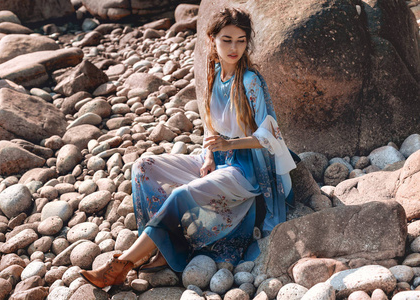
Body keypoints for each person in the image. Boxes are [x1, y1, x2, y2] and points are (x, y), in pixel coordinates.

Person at [80, 7, 297, 289]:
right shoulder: (213, 74)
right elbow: (211, 125)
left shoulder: (250, 81)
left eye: (241, 40)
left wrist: (228, 144)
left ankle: (122, 264)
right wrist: (208, 153)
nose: (234, 48)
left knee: (182, 194)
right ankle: (162, 247)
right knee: (143, 166)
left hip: (247, 171)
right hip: (217, 158)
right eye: (227, 39)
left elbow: (269, 136)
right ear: (212, 39)